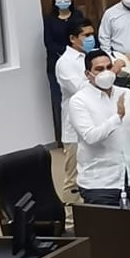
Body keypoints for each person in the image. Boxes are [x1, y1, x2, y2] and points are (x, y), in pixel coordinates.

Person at [67, 50, 130, 206]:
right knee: (107, 229)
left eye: (109, 67)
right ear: (88, 74)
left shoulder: (125, 94)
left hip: (128, 177)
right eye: (99, 69)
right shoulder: (79, 101)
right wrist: (117, 117)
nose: (106, 72)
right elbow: (90, 137)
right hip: (99, 184)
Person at [55, 17, 97, 200]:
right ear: (73, 38)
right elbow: (82, 89)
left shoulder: (95, 56)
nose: (91, 38)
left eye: (92, 34)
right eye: (86, 35)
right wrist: (109, 74)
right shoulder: (65, 63)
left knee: (95, 176)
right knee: (74, 180)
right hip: (75, 130)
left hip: (96, 126)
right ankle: (71, 223)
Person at [43, 0, 84, 145]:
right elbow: (49, 43)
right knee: (60, 101)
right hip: (57, 66)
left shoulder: (78, 16)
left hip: (78, 64)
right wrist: (67, 54)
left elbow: (82, 37)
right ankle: (64, 139)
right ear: (54, 1)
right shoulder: (49, 20)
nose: (62, 0)